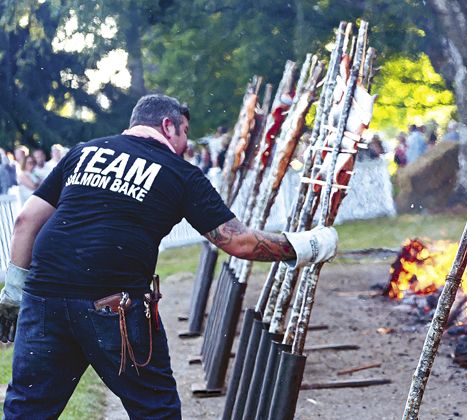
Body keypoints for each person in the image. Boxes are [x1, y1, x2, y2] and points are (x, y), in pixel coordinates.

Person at [0, 94, 338, 419]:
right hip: (115, 305)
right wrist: (305, 246)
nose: (186, 145)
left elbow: (26, 220)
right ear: (168, 125)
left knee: (28, 409)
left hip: (44, 299)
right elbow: (240, 243)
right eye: (185, 133)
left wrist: (16, 290)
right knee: (154, 409)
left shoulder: (83, 152)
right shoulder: (179, 172)